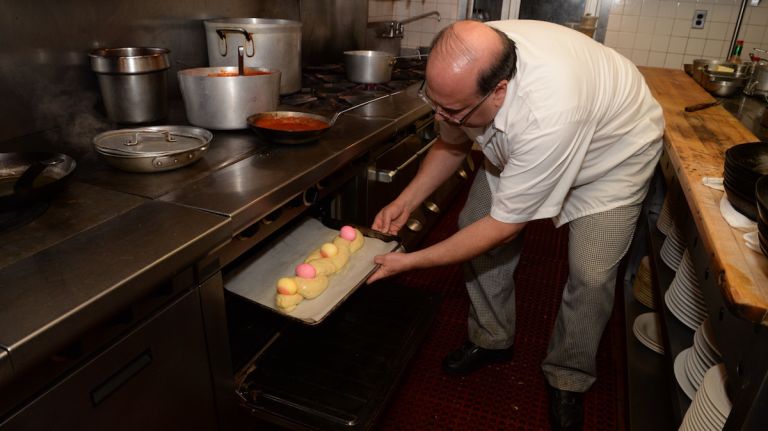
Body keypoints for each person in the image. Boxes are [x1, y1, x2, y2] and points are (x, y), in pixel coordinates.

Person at [367, 19, 664, 431]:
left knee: (591, 275)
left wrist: (411, 262)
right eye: (433, 101)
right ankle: (491, 338)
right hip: (529, 140)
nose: (442, 115)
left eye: (451, 110)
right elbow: (451, 142)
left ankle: (568, 377)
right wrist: (407, 200)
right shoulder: (468, 68)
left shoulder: (549, 112)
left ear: (500, 90)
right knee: (473, 221)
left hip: (611, 157)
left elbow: (504, 226)